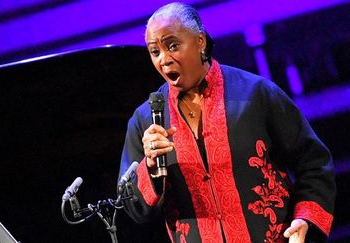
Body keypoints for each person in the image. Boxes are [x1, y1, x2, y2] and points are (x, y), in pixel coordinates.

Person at [118, 2, 336, 242]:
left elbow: (313, 163)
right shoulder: (145, 121)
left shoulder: (255, 95)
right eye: (155, 51)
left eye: (173, 46)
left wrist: (304, 219)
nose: (164, 59)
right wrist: (150, 168)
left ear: (200, 41)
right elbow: (131, 207)